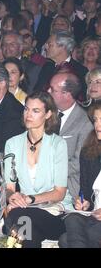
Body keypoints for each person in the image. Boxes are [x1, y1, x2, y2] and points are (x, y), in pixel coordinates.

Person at [4, 91, 72, 248]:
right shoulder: (12, 144)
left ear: (48, 114)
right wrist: (13, 196)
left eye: (36, 111)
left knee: (17, 215)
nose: (28, 114)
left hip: (55, 213)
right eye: (26, 109)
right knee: (27, 232)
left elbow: (59, 193)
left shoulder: (58, 144)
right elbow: (9, 188)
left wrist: (29, 199)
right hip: (26, 212)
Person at [59, 101, 101, 247]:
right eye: (95, 120)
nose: (97, 125)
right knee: (72, 218)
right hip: (94, 217)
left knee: (65, 240)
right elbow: (85, 191)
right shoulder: (90, 151)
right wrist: (84, 202)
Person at [48, 72, 92, 199]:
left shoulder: (85, 122)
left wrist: (47, 170)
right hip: (40, 183)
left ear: (66, 94)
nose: (48, 91)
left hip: (68, 188)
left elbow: (78, 163)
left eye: (53, 89)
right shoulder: (46, 114)